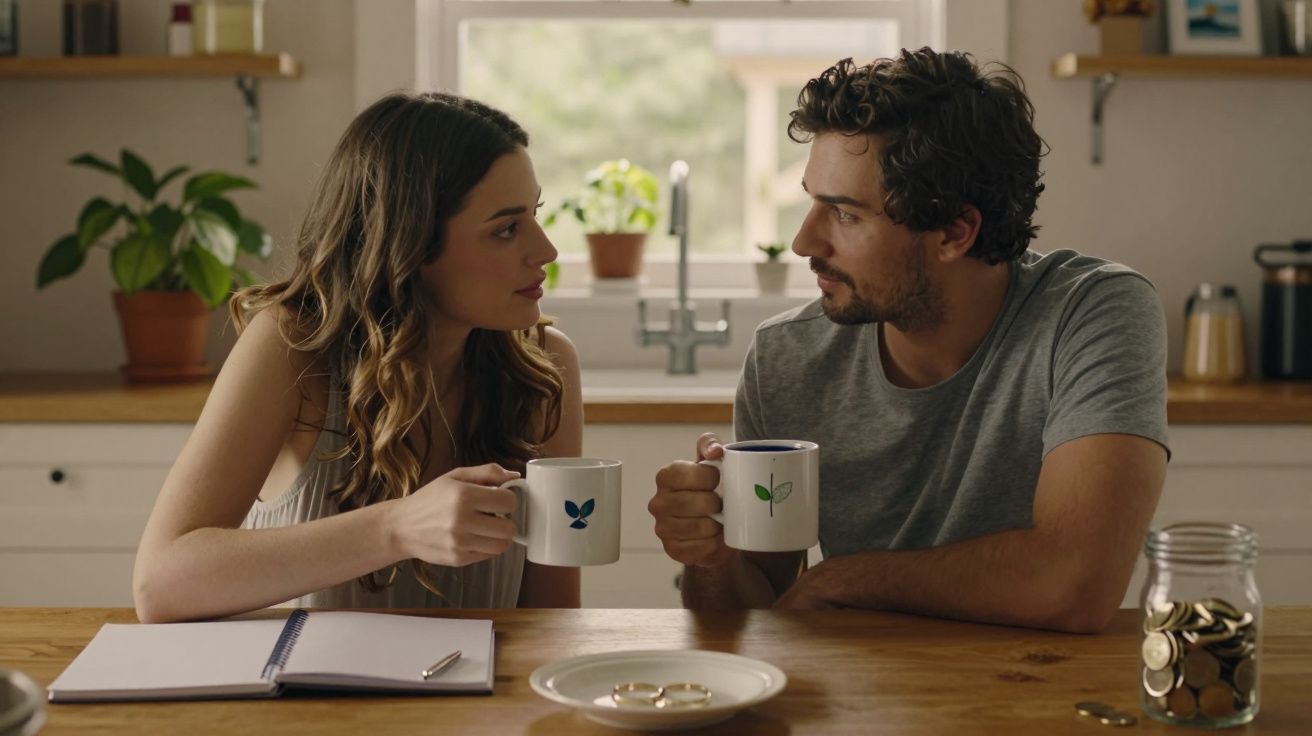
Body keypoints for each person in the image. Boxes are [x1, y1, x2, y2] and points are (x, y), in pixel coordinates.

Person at [648, 48, 1169, 633]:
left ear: (953, 231)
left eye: (844, 214)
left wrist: (839, 581)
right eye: (812, 203)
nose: (803, 241)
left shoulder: (1092, 312)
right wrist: (711, 555)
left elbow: (1074, 583)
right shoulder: (786, 359)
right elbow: (755, 617)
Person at [133, 92, 583, 623]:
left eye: (534, 214)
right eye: (506, 229)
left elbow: (551, 624)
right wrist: (395, 528)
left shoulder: (543, 366)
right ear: (410, 246)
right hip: (299, 701)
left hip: (480, 703)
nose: (547, 250)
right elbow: (160, 584)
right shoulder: (292, 346)